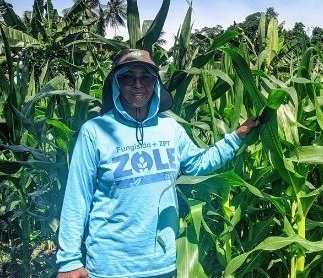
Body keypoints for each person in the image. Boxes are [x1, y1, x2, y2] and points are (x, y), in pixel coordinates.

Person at [56, 49, 258, 278]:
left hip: (164, 264)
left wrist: (237, 137)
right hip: (111, 266)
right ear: (116, 83)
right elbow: (77, 197)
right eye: (127, 77)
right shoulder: (95, 131)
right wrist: (69, 260)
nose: (137, 84)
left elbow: (198, 164)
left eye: (146, 77)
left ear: (156, 83)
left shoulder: (170, 128)